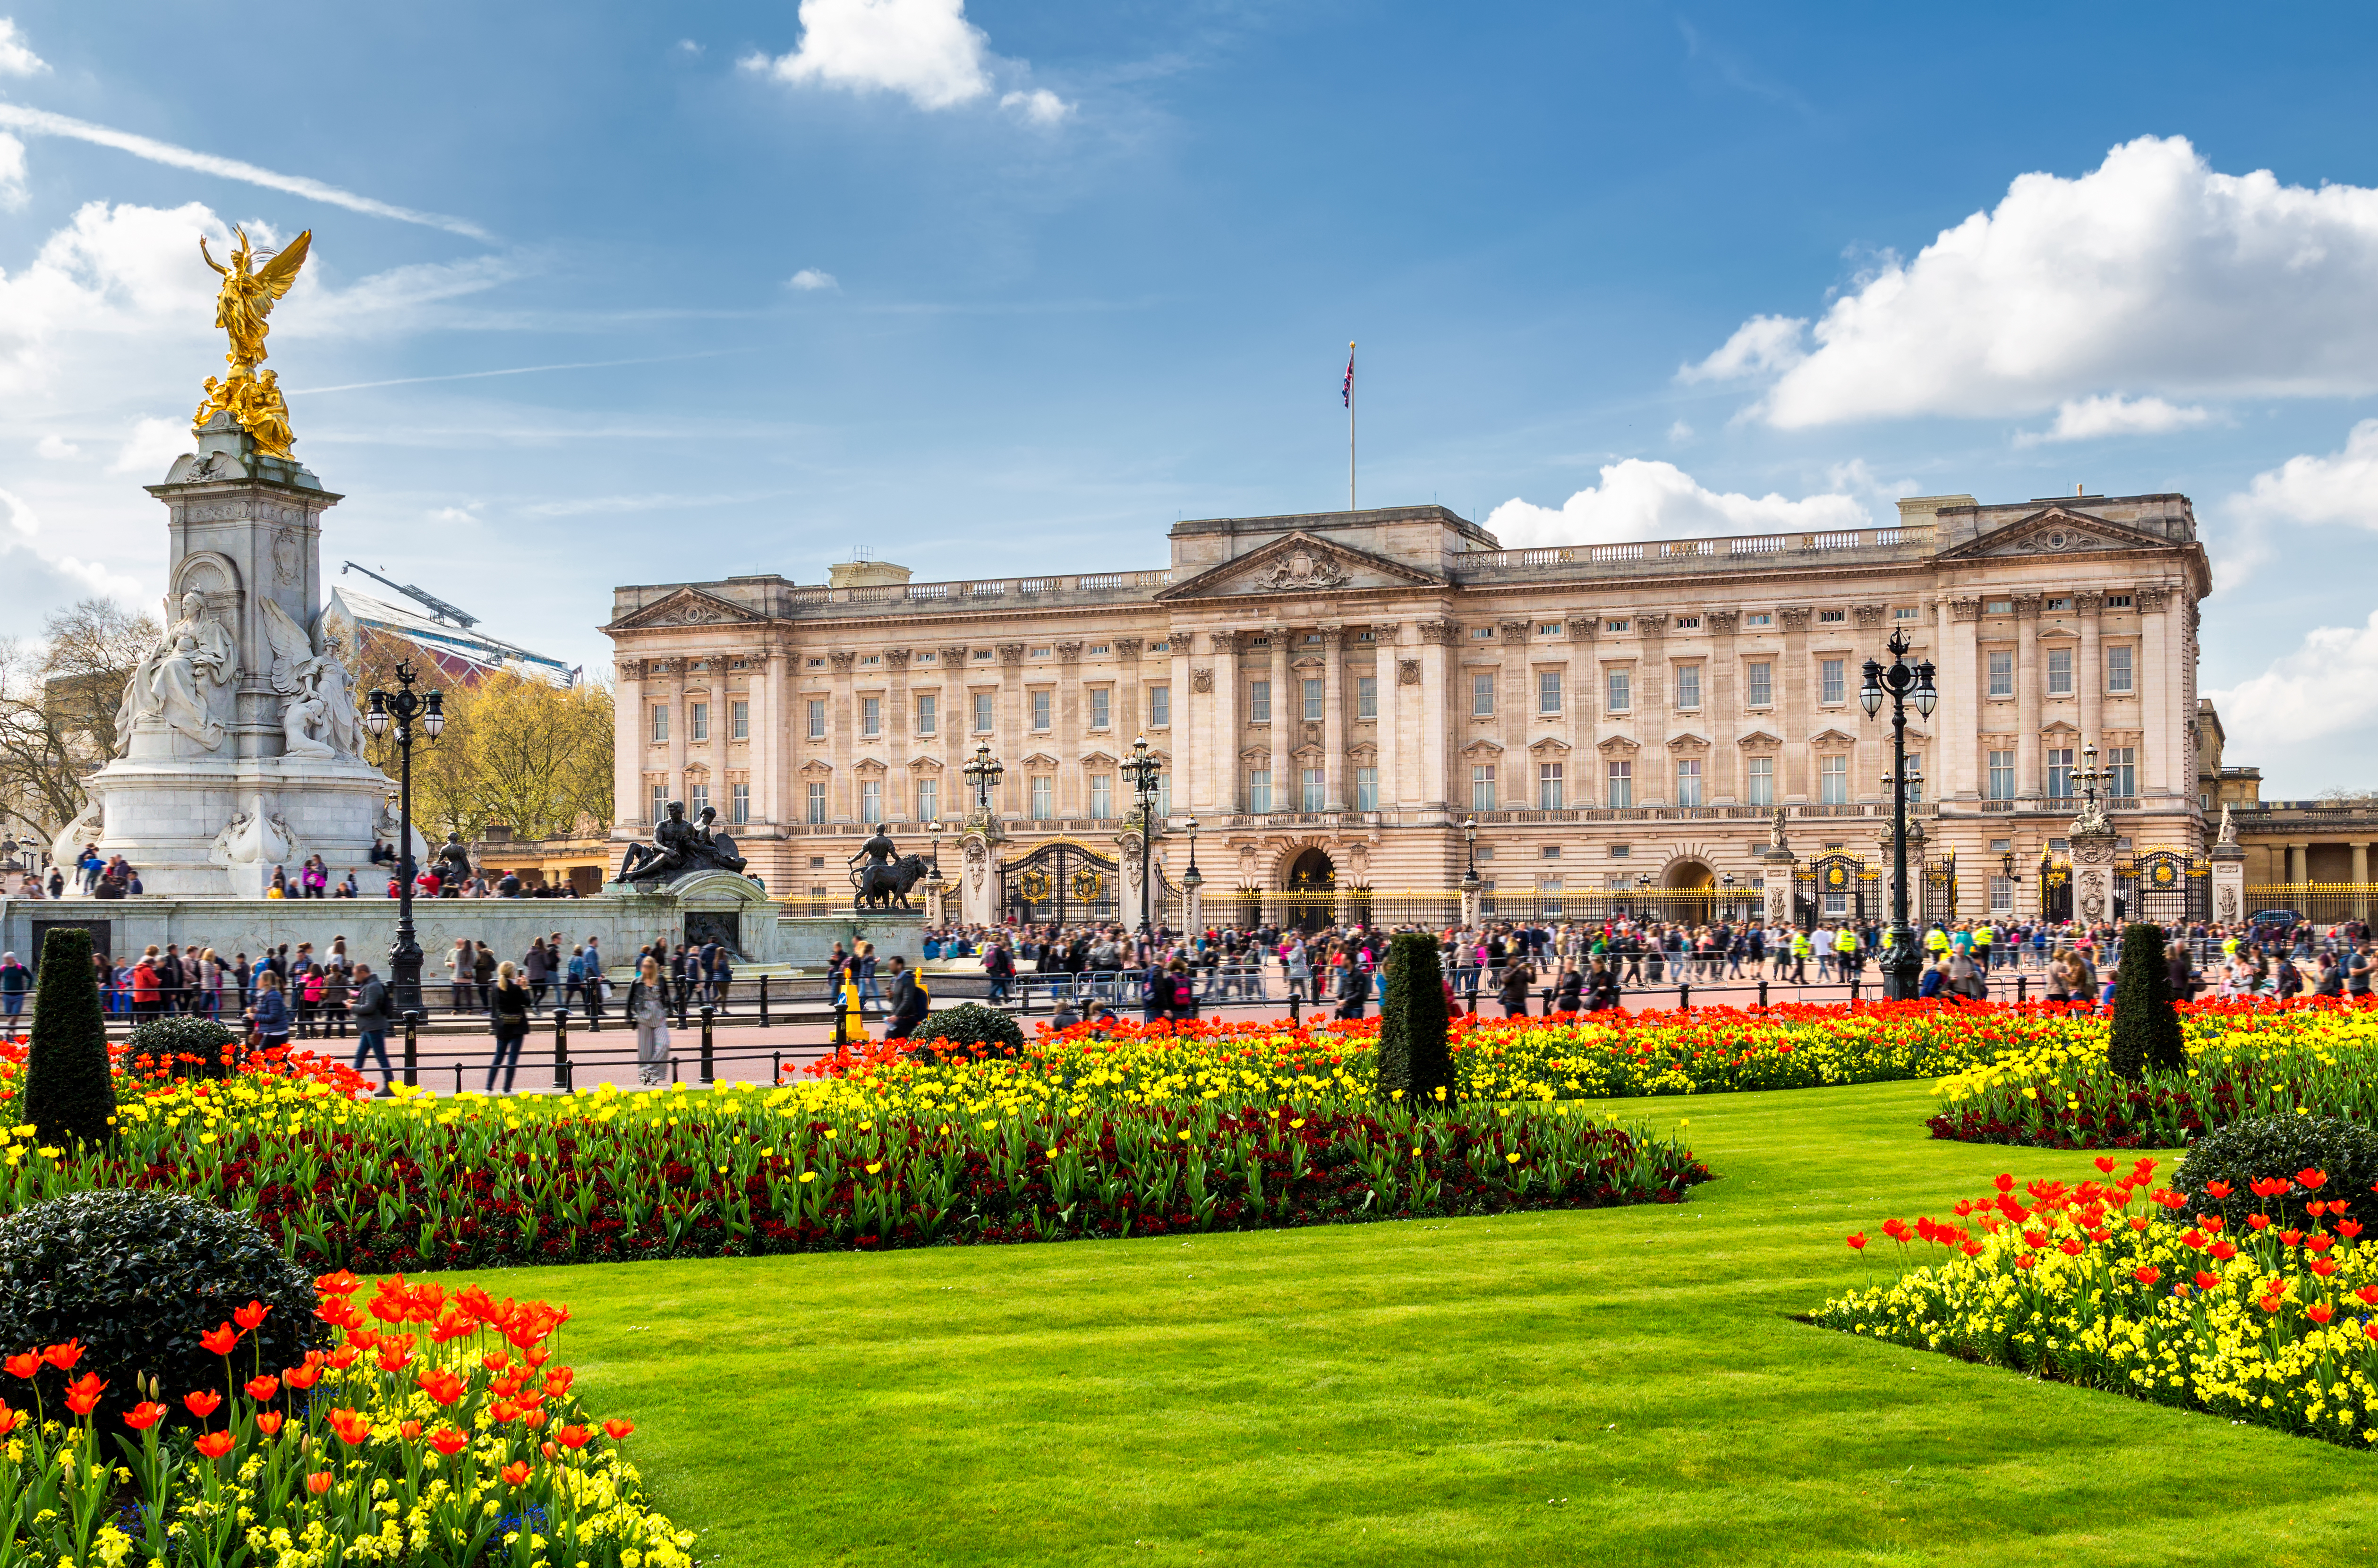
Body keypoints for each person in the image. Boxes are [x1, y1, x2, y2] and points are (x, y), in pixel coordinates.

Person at [485, 960, 530, 1092]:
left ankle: (488, 1088)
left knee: (498, 1058)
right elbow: (527, 1002)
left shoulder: (496, 987)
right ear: (513, 973)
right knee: (512, 1060)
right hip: (517, 1026)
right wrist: (525, 987)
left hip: (503, 1026)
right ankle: (507, 1089)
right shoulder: (516, 988)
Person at [349, 962, 393, 1094]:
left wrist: (353, 1007)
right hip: (369, 1026)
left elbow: (370, 1007)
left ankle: (389, 1086)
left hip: (374, 1027)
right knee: (360, 1056)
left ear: (363, 973)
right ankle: (351, 1085)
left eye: (356, 975)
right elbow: (369, 1003)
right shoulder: (370, 985)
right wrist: (356, 1002)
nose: (355, 979)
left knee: (380, 1057)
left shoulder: (373, 986)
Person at [627, 955, 670, 1086]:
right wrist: (630, 1016)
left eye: (649, 966)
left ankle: (649, 1071)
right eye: (644, 966)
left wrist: (668, 1011)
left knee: (665, 1044)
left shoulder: (661, 980)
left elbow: (667, 997)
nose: (646, 969)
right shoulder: (637, 981)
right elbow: (630, 1000)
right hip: (644, 1016)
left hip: (659, 1015)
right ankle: (646, 1077)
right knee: (645, 1050)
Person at [884, 955, 929, 1040]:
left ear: (899, 966)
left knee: (913, 1046)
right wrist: (890, 997)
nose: (890, 967)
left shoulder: (907, 980)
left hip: (908, 1021)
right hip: (897, 1021)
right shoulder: (893, 980)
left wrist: (897, 1015)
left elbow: (907, 1000)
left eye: (892, 965)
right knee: (888, 1043)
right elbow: (895, 1000)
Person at [245, 970, 290, 1048]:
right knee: (274, 1059)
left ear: (266, 982)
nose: (258, 981)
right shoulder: (266, 995)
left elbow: (273, 1017)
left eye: (260, 979)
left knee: (261, 1058)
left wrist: (255, 1017)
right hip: (273, 1033)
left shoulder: (272, 995)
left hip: (276, 1035)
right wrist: (256, 1011)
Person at [0, 952, 27, 1043]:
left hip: (18, 996)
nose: (5, 961)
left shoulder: (21, 968)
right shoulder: (4, 969)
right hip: (7, 996)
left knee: (15, 1016)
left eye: (7, 959)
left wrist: (26, 990)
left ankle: (7, 1033)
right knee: (10, 1018)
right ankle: (12, 1037)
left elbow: (30, 977)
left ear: (12, 959)